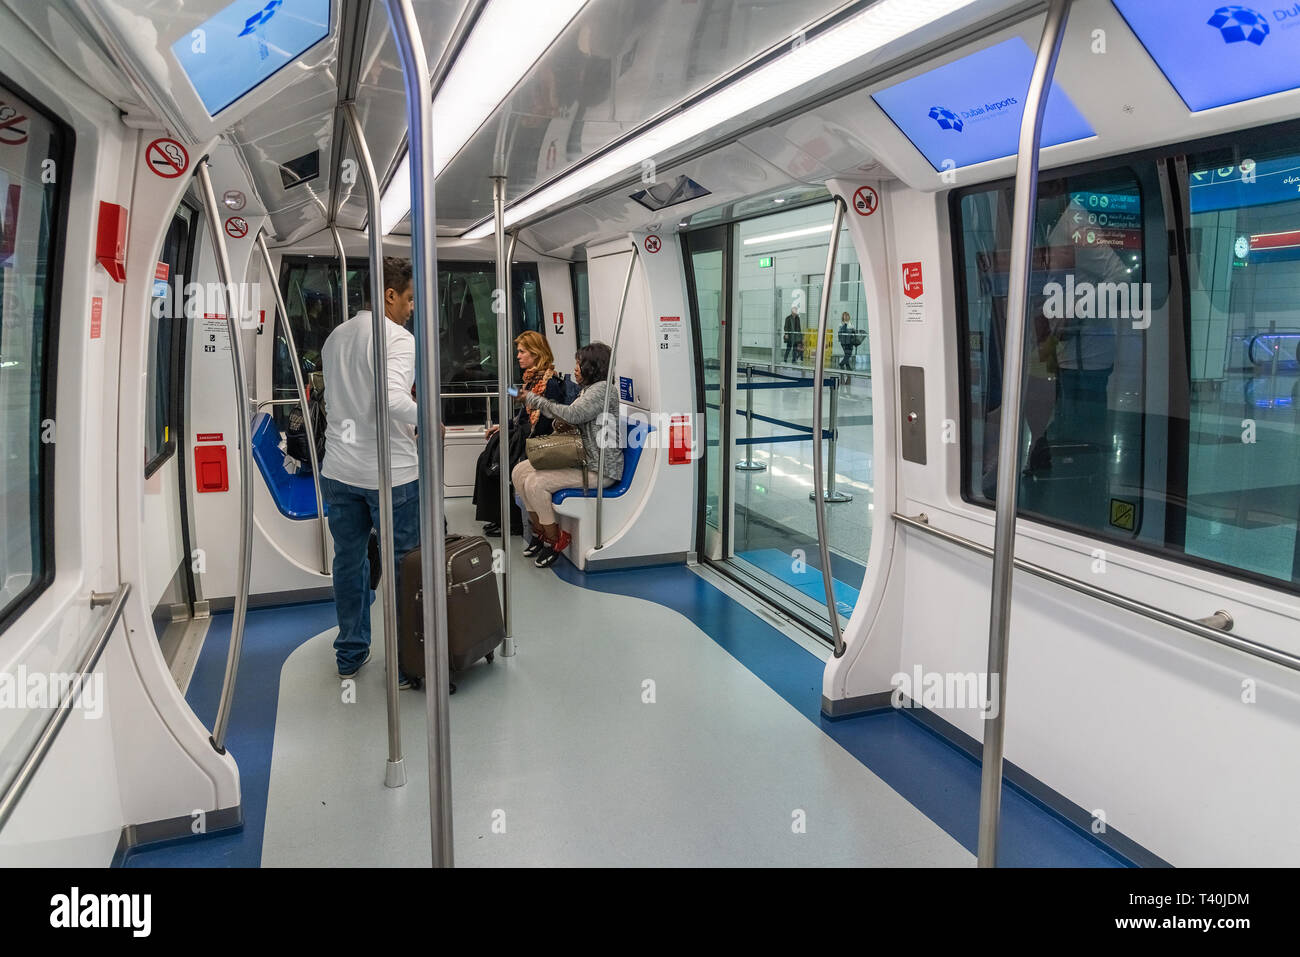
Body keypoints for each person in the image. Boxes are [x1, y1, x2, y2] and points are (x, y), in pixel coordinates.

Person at [319, 257, 419, 684]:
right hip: (390, 474)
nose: (412, 308)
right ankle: (407, 658)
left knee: (349, 560)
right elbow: (392, 399)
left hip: (339, 470)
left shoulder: (334, 339)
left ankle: (351, 652)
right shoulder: (397, 338)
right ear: (389, 295)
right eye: (409, 298)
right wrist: (430, 416)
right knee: (404, 565)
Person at [511, 342, 624, 568]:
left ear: (592, 366)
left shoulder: (603, 390)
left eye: (579, 364)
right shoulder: (589, 390)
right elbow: (574, 417)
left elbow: (573, 414)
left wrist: (533, 399)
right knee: (519, 471)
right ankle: (540, 531)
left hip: (598, 468)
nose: (575, 369)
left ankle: (554, 541)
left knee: (536, 483)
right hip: (583, 460)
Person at [472, 331, 567, 536]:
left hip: (537, 439)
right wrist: (504, 426)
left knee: (498, 463)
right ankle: (499, 516)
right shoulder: (531, 382)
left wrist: (517, 431)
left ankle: (512, 521)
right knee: (487, 459)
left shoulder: (550, 384)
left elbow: (546, 422)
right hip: (524, 431)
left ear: (536, 353)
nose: (518, 356)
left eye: (522, 352)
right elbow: (522, 414)